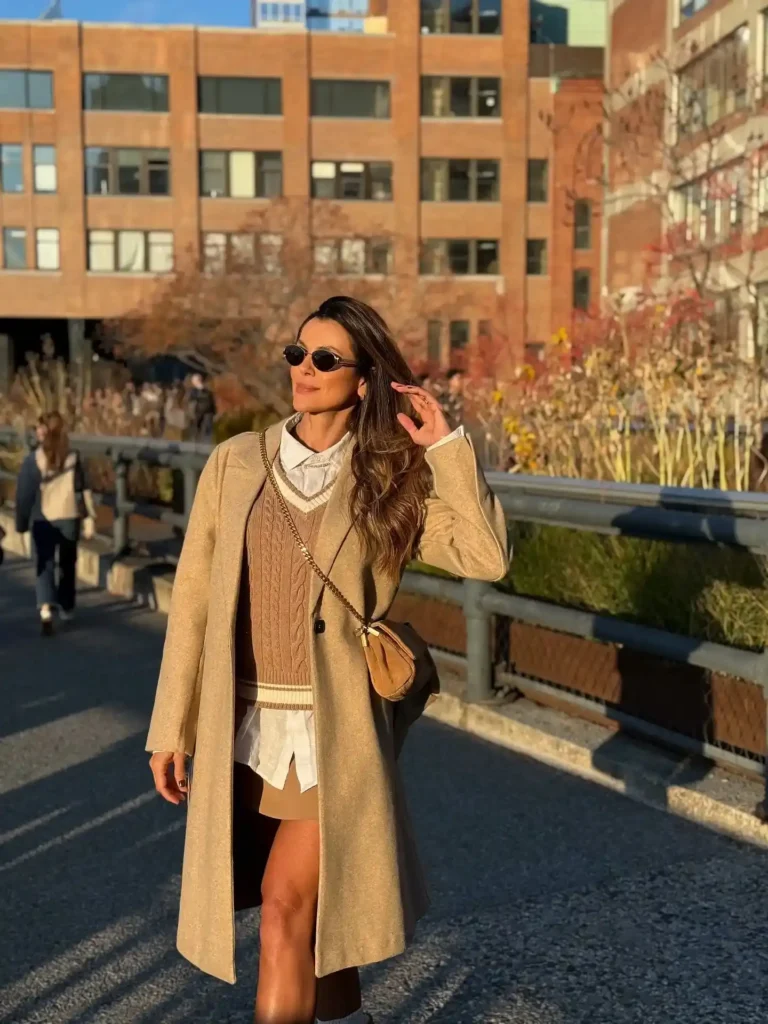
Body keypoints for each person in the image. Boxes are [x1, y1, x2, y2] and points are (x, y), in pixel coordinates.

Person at [146, 296, 508, 1024]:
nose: (302, 371)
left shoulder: (391, 476)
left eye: (325, 360)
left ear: (365, 380)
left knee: (284, 911)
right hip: (245, 725)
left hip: (334, 730)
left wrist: (445, 446)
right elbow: (193, 601)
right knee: (318, 925)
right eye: (297, 354)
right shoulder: (236, 463)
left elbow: (485, 555)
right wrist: (171, 725)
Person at [14, 411, 95, 635]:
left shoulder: (33, 460)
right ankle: (67, 605)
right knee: (68, 563)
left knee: (44, 562)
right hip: (69, 517)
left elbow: (24, 495)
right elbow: (82, 488)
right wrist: (89, 519)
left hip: (42, 519)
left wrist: (20, 523)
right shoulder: (74, 457)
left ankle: (46, 608)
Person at [186, 372, 216, 441]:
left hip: (203, 412)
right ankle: (197, 441)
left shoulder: (205, 391)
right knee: (198, 428)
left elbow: (211, 402)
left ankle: (201, 441)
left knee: (205, 429)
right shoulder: (194, 391)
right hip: (199, 412)